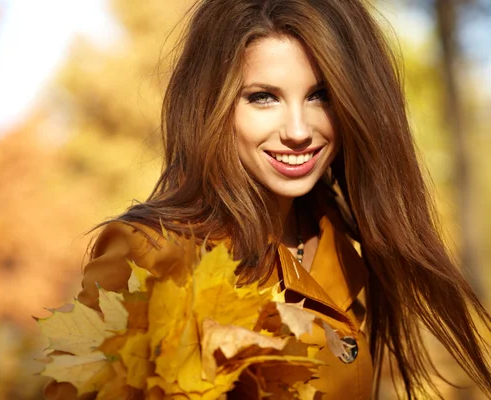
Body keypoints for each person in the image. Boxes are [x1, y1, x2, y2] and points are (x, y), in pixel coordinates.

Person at [44, 0, 491, 398]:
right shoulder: (148, 254)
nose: (298, 131)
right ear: (211, 107)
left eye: (321, 96)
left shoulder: (345, 252)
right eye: (263, 98)